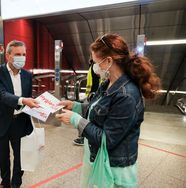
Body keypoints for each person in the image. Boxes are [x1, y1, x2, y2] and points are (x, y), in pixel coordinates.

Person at [56, 33, 160, 187]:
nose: (93, 66)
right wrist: (75, 106)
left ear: (109, 61)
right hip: (100, 159)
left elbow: (107, 140)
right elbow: (98, 110)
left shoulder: (127, 95)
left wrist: (75, 120)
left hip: (115, 168)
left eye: (95, 62)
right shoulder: (108, 83)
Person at [0, 40, 39, 188]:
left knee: (20, 157)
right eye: (17, 54)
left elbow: (29, 97)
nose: (21, 57)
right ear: (8, 56)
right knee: (3, 157)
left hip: (20, 122)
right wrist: (23, 100)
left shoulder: (28, 75)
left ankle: (16, 183)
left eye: (24, 54)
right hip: (1, 122)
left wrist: (38, 105)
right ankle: (5, 182)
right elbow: (1, 95)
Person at [73, 59, 100, 146]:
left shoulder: (124, 93)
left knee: (89, 116)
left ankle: (83, 137)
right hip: (92, 95)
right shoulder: (93, 67)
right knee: (87, 114)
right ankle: (83, 137)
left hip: (96, 95)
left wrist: (74, 119)